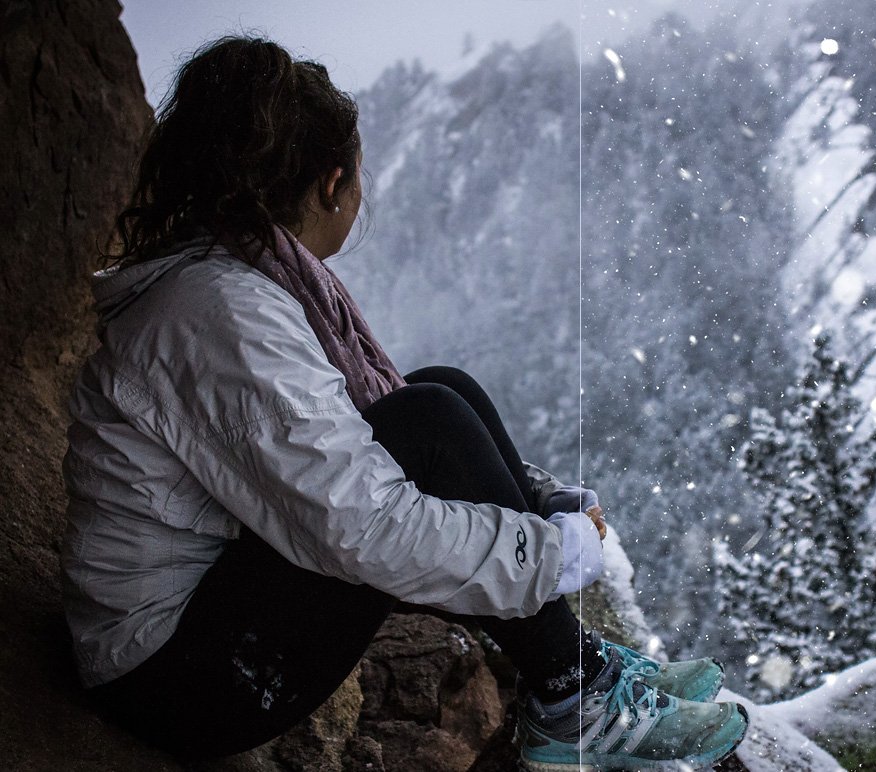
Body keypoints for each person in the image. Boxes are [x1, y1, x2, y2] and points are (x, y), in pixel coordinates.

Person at [60, 36, 748, 769]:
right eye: (358, 175)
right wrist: (553, 553)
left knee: (438, 391)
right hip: (175, 678)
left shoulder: (228, 289)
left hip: (196, 623)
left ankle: (573, 670)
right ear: (332, 184)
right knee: (427, 421)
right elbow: (365, 527)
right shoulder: (227, 315)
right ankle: (572, 695)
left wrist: (532, 497)